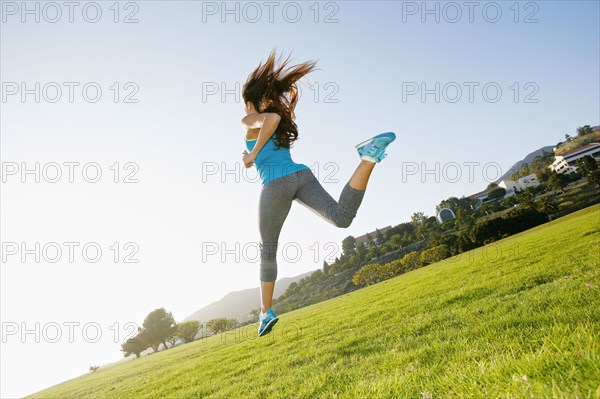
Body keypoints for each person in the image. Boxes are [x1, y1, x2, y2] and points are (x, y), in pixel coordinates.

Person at [241, 49, 396, 337]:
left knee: (268, 249)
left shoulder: (252, 119)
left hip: (277, 185)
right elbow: (269, 139)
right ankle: (368, 158)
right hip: (301, 175)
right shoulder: (268, 123)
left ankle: (265, 312)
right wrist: (250, 157)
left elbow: (270, 121)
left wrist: (252, 155)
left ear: (249, 101)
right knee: (342, 217)